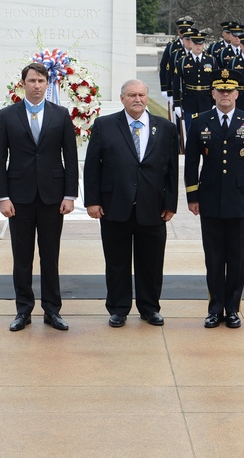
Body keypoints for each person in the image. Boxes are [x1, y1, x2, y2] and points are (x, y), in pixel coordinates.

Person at [84, 79, 179, 327]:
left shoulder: (166, 128)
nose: (137, 99)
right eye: (131, 95)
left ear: (147, 97)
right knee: (117, 262)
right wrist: (92, 201)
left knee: (151, 261)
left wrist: (171, 203)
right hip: (115, 206)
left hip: (154, 207)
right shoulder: (105, 125)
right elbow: (93, 167)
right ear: (122, 98)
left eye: (141, 94)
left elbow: (171, 170)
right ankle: (118, 308)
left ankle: (149, 308)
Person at [0, 62, 79, 332]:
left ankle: (52, 310)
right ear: (23, 84)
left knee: (50, 256)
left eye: (41, 80)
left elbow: (71, 157)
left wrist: (70, 195)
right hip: (19, 198)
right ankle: (23, 310)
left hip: (53, 198)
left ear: (48, 84)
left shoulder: (61, 114)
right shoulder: (7, 116)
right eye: (32, 81)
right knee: (22, 257)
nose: (37, 85)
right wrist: (3, 197)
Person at [185, 69, 244, 329]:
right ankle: (214, 309)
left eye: (229, 91)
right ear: (213, 94)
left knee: (235, 258)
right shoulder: (200, 121)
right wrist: (192, 195)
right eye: (220, 91)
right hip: (209, 198)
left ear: (237, 94)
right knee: (213, 257)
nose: (224, 95)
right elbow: (191, 162)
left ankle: (232, 309)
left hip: (240, 199)